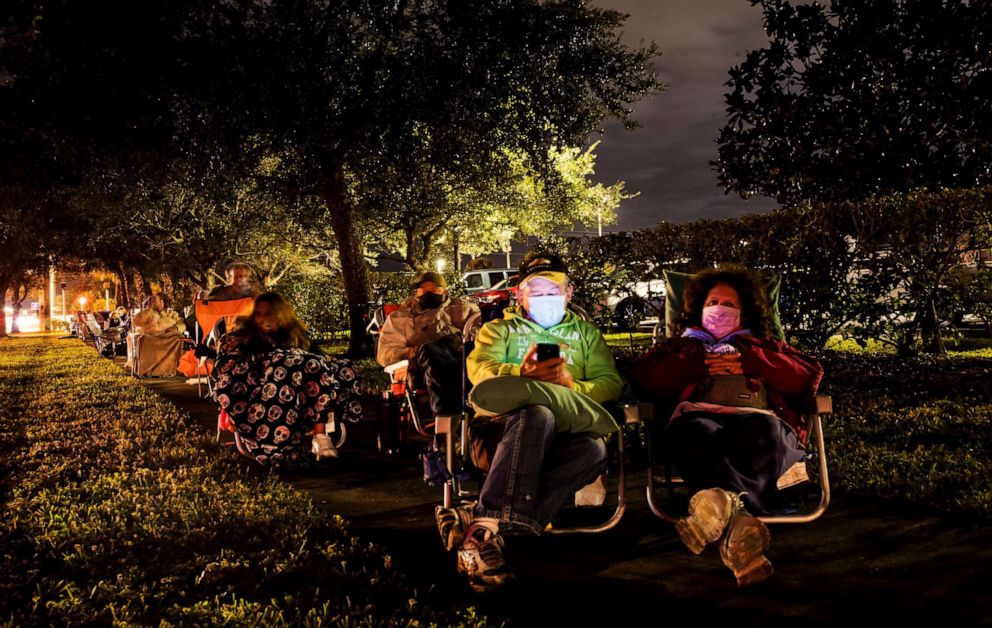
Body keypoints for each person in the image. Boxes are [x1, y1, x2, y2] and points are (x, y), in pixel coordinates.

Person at [438, 252, 622, 592]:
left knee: (595, 449)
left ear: (568, 293)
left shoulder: (586, 335)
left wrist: (572, 386)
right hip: (499, 434)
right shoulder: (498, 330)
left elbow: (610, 382)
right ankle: (484, 531)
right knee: (538, 413)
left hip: (566, 439)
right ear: (519, 294)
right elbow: (479, 371)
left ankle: (480, 524)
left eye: (552, 289)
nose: (544, 296)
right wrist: (520, 373)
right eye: (534, 290)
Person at [629, 266, 823, 587]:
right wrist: (696, 362)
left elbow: (807, 375)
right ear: (698, 309)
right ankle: (740, 536)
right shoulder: (680, 346)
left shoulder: (764, 346)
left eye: (729, 304)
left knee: (764, 434)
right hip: (696, 418)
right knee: (697, 434)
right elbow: (645, 379)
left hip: (759, 419)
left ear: (743, 312)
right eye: (712, 302)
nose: (719, 308)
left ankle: (717, 509)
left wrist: (752, 361)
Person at [212, 292, 363, 468]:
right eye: (258, 314)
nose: (263, 319)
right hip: (259, 392)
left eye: (269, 314)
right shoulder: (238, 338)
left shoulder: (294, 336)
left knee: (338, 367)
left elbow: (319, 357)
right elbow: (225, 369)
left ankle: (320, 436)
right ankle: (317, 435)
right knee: (294, 364)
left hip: (304, 391)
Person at [376, 271, 479, 415]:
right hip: (424, 369)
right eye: (423, 290)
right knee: (429, 351)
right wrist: (414, 352)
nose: (428, 293)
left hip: (461, 361)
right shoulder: (401, 317)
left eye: (434, 289)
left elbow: (481, 338)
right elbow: (386, 353)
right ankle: (447, 420)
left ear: (445, 291)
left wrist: (458, 344)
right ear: (417, 293)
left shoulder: (465, 311)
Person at [128, 294, 187, 376]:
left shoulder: (171, 313)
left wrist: (176, 328)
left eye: (154, 300)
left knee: (179, 339)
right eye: (151, 301)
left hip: (168, 337)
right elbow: (137, 323)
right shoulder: (148, 312)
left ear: (161, 302)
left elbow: (182, 324)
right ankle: (145, 370)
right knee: (142, 339)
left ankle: (173, 370)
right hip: (151, 337)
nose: (151, 302)